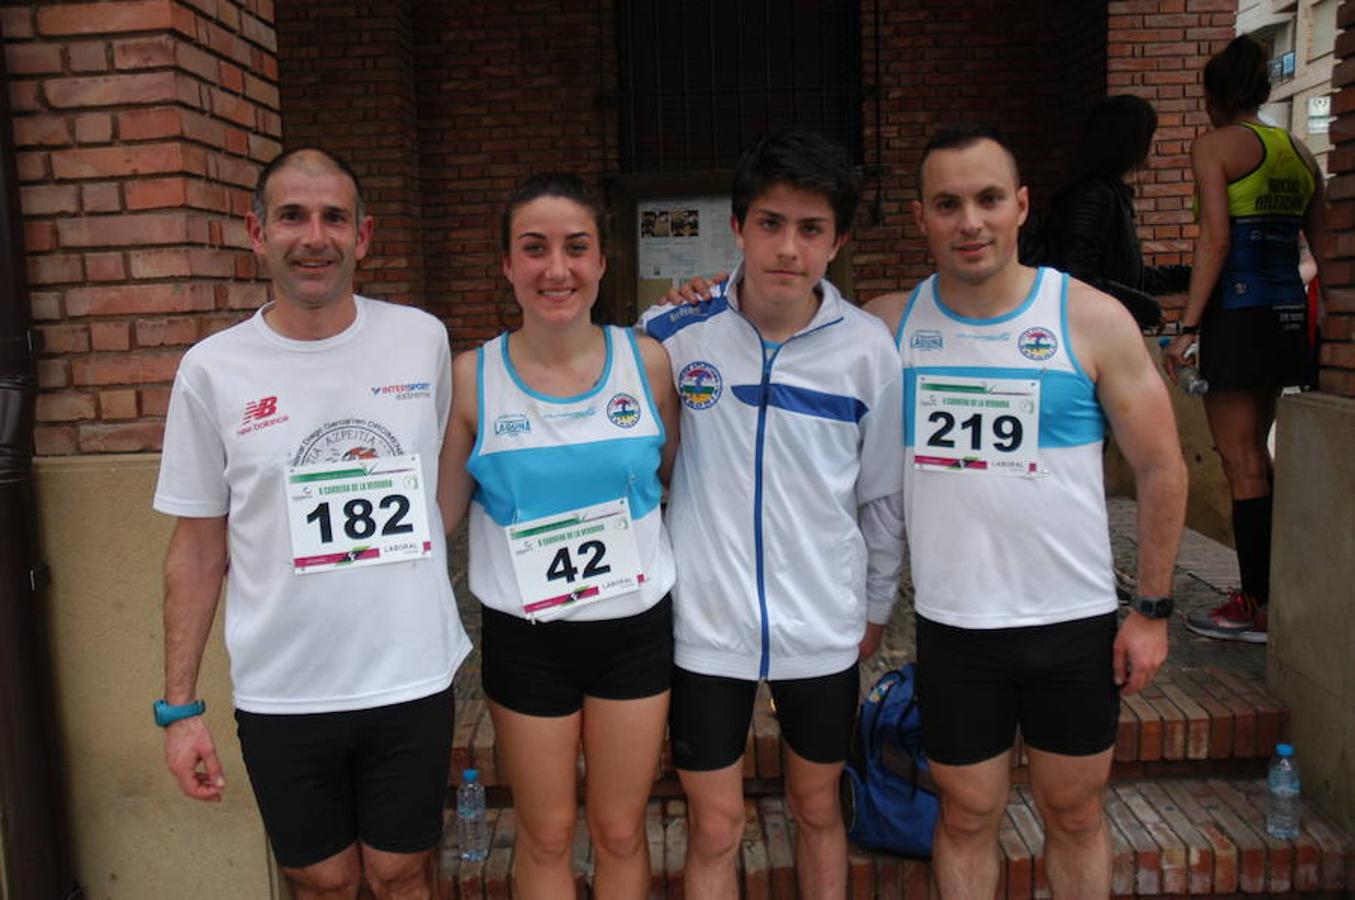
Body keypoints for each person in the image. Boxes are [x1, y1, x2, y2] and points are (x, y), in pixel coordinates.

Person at [864, 124, 1187, 898]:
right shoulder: (885, 327)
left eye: (985, 199)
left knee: (1072, 812)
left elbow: (1161, 467)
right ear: (920, 219)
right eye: (947, 204)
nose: (968, 221)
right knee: (967, 813)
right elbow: (773, 323)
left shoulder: (1089, 318)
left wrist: (1150, 610)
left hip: (1069, 625)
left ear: (1020, 206)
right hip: (955, 627)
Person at [154, 148, 472, 899]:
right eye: (292, 216)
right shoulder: (212, 369)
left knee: (402, 872)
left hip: (408, 673)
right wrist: (179, 710)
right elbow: (197, 551)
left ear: (363, 237)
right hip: (284, 685)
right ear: (256, 232)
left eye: (334, 217)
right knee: (319, 879)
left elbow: (437, 489)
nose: (314, 236)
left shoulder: (421, 340)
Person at [641, 129, 905, 900]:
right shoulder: (670, 333)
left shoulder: (867, 351)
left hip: (822, 624)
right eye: (769, 223)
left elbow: (881, 498)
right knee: (715, 823)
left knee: (817, 806)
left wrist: (875, 603)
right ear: (737, 227)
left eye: (811, 228)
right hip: (705, 627)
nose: (787, 248)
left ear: (839, 240)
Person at [437, 173, 680, 899]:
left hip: (632, 635)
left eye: (576, 248)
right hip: (527, 640)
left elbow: (668, 478)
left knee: (618, 832)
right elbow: (438, 516)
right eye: (533, 249)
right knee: (544, 836)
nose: (556, 269)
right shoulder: (471, 379)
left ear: (603, 261)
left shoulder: (650, 364)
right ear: (507, 265)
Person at [1165, 36, 1330, 643]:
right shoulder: (1299, 150)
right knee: (1259, 458)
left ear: (1214, 96)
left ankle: (1256, 606)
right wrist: (1330, 313)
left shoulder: (1215, 146)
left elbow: (1215, 241)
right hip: (1288, 315)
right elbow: (1326, 243)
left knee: (1241, 464)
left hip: (1237, 314)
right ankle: (1275, 600)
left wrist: (1186, 328)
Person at [1037, 94, 1192, 329]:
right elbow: (1076, 277)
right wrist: (1143, 306)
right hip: (1089, 334)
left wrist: (1192, 275)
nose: (1155, 142)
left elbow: (1130, 278)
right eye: (1150, 133)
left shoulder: (1111, 196)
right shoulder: (1094, 196)